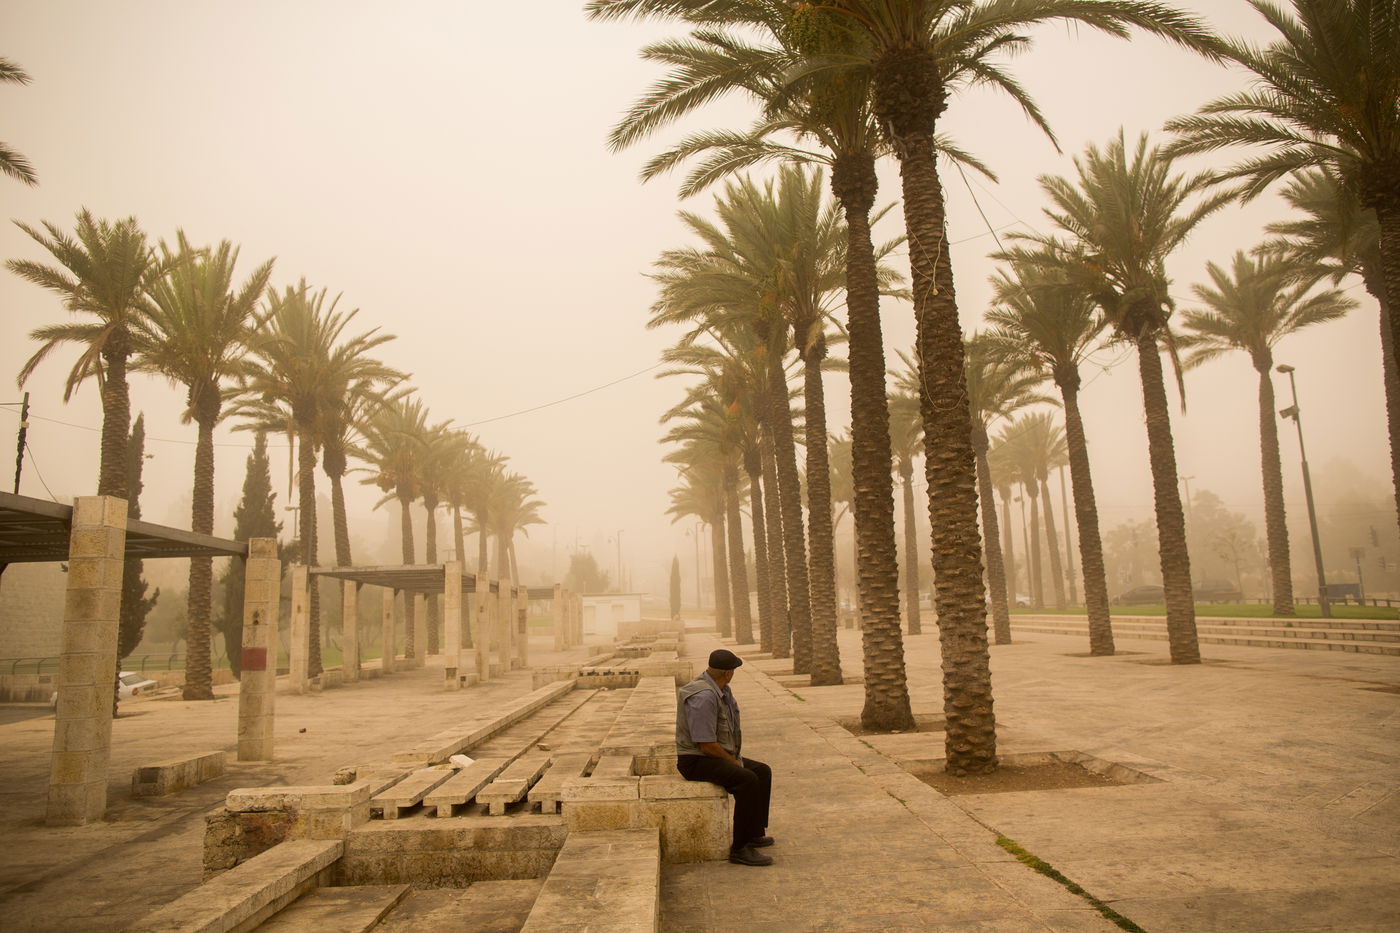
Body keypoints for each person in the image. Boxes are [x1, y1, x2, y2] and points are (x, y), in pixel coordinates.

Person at [675, 648, 774, 866]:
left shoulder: (721, 689)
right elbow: (706, 745)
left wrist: (734, 760)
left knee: (762, 771)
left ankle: (754, 832)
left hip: (712, 755)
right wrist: (735, 763)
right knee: (746, 779)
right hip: (695, 760)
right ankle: (740, 848)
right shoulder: (703, 697)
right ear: (728, 673)